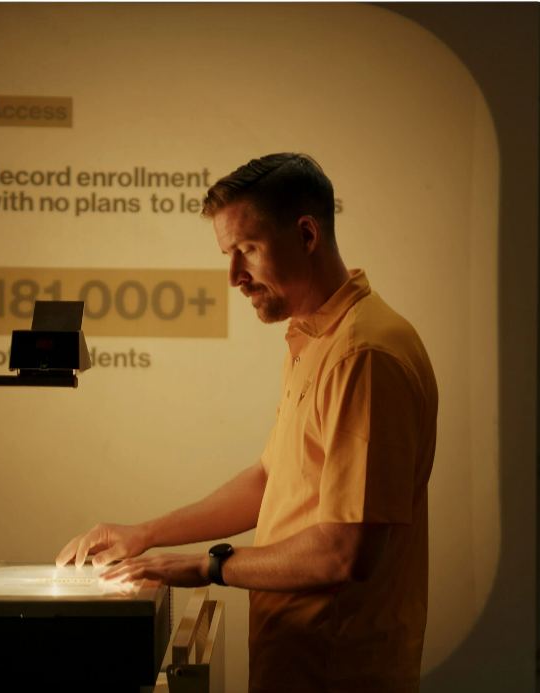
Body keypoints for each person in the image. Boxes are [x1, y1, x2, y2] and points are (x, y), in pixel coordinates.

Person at [57, 153, 438, 693]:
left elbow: (344, 551)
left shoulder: (363, 354)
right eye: (227, 255)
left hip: (340, 671)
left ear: (307, 234)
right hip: (299, 662)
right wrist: (146, 534)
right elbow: (270, 478)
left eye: (248, 251)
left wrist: (206, 567)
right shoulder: (316, 337)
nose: (234, 276)